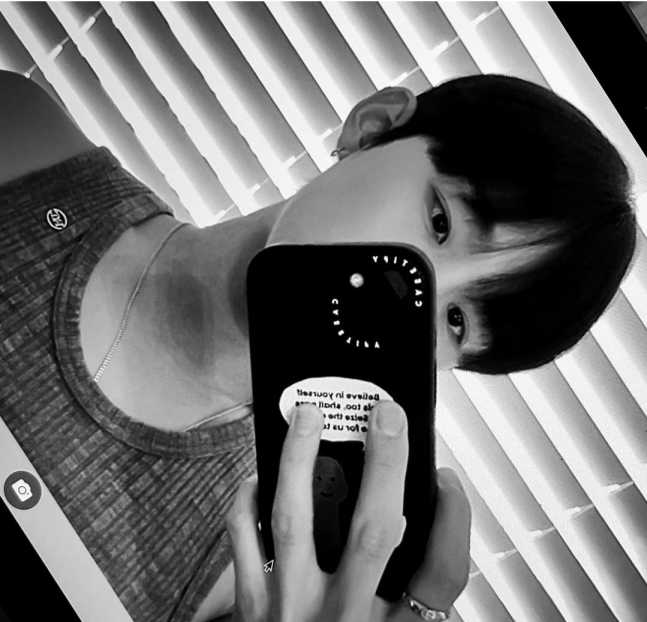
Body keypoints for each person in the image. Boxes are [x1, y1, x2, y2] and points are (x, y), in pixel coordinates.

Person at [0, 68, 635, 622]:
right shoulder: (24, 137)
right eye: (440, 221)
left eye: (456, 321)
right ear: (372, 126)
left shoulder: (257, 566)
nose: (402, 294)